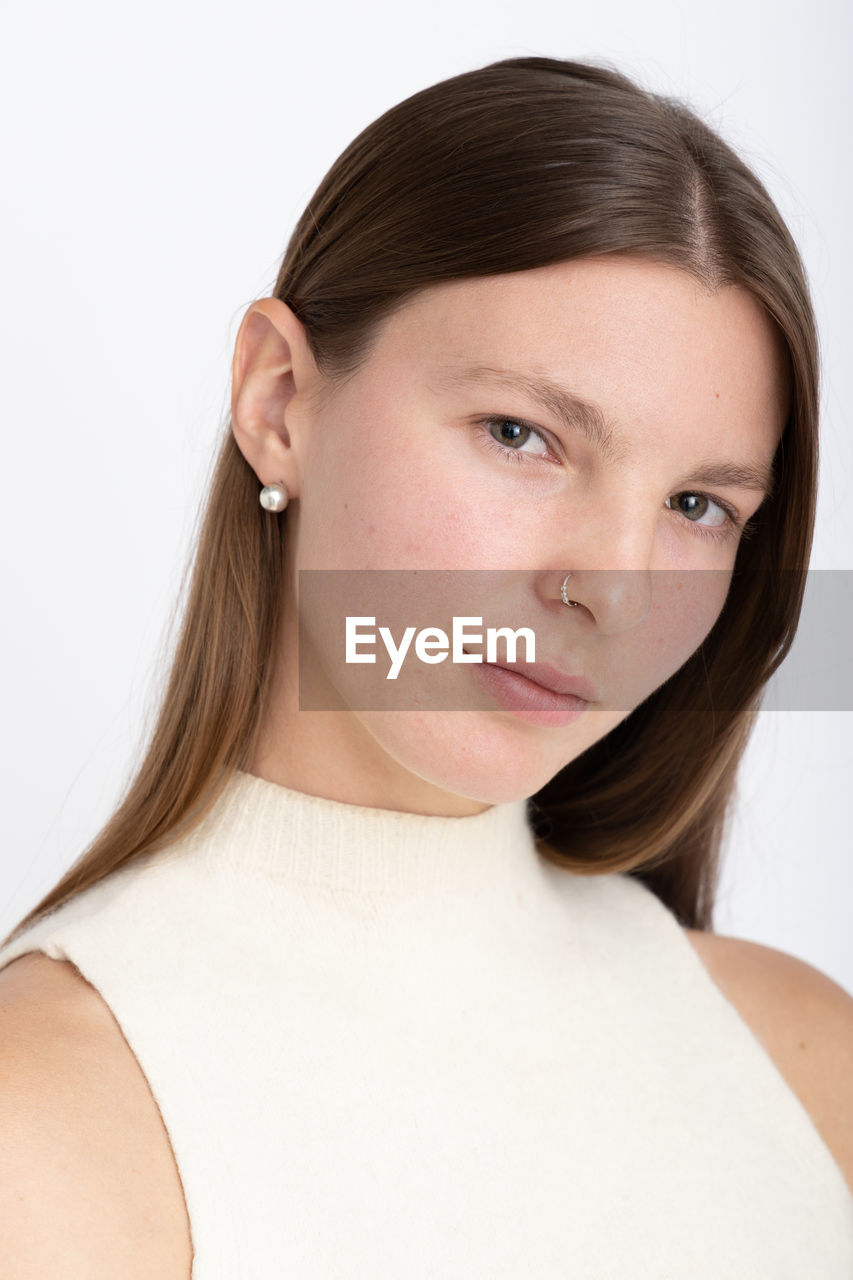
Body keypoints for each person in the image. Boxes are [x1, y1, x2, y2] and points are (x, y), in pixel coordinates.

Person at [1, 54, 851, 1277]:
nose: (608, 584)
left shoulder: (805, 1061)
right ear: (279, 398)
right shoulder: (44, 1120)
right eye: (523, 436)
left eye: (697, 503)